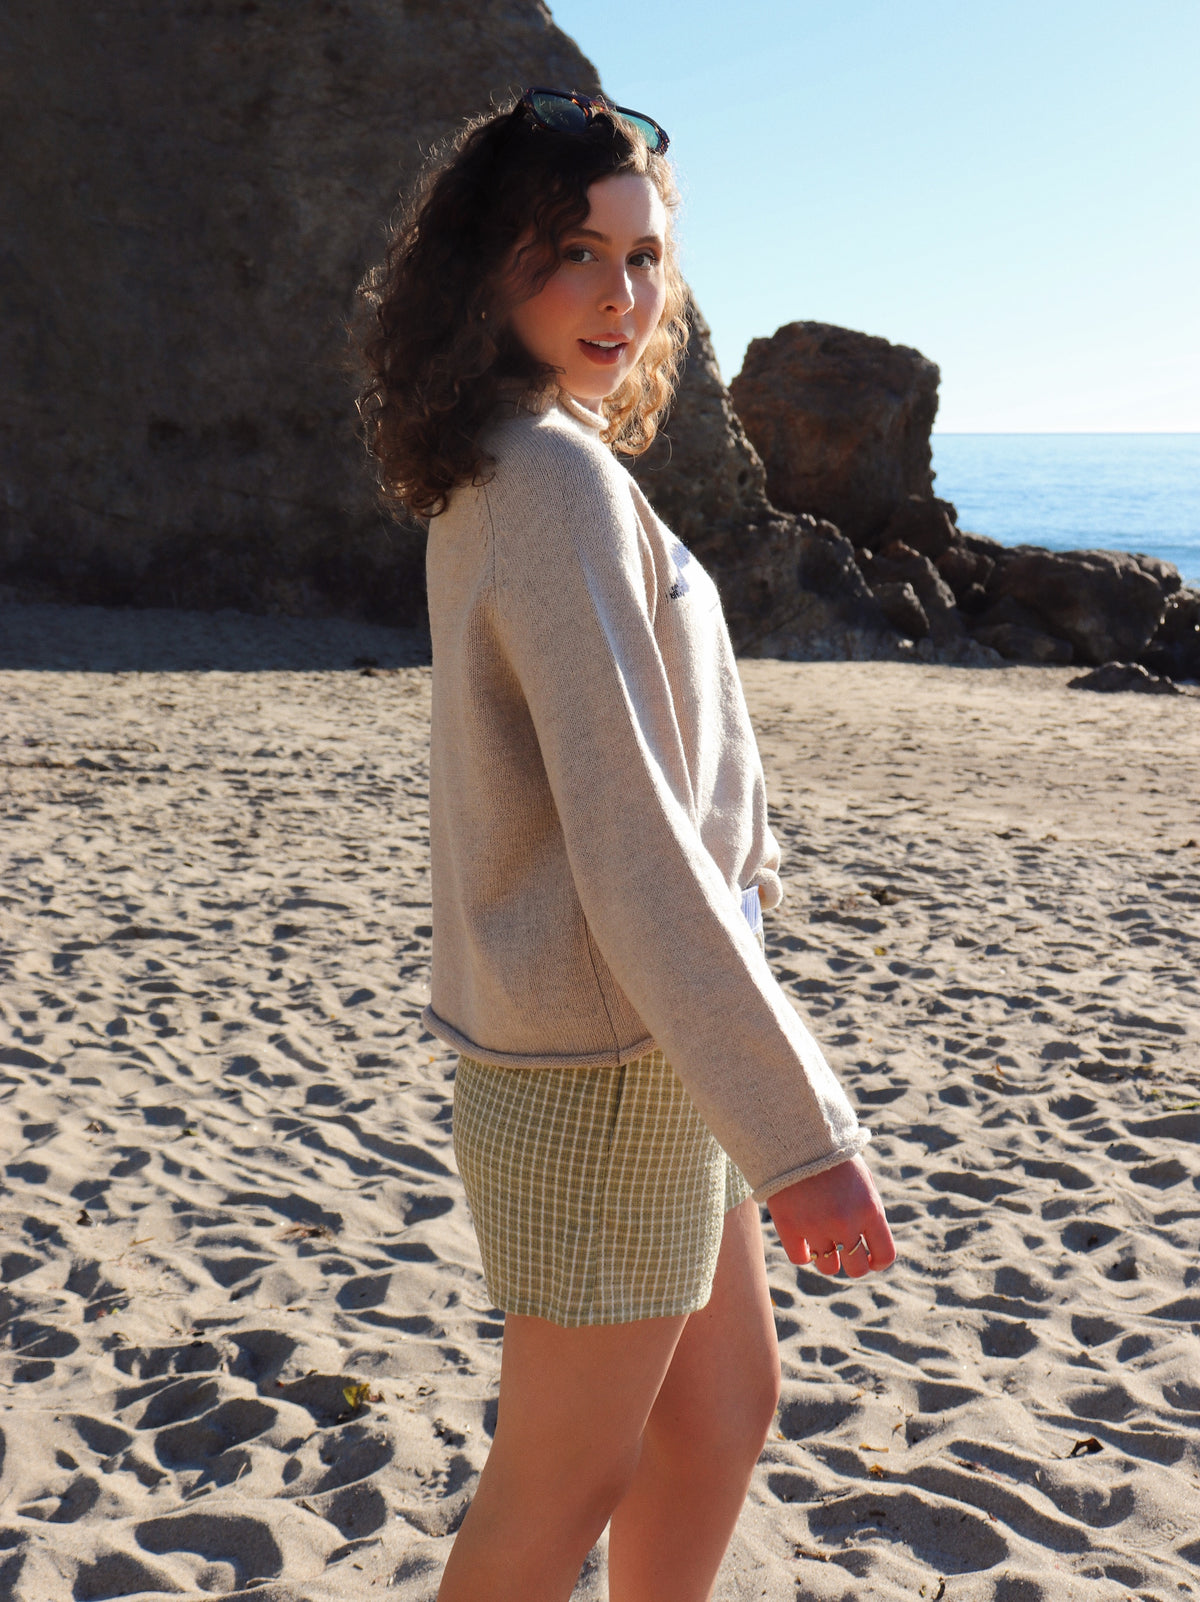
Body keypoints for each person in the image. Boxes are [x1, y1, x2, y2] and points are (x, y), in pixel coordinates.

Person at [357, 87, 896, 1602]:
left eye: (644, 257)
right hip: (603, 1059)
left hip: (645, 1036)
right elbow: (634, 844)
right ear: (488, 268)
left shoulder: (523, 454)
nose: (620, 295)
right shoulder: (548, 483)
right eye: (573, 252)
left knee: (720, 1412)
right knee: (563, 1480)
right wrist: (807, 1143)